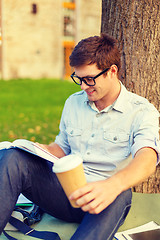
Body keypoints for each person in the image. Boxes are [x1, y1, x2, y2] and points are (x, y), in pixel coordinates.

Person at [0, 34, 160, 240]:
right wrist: (39, 150)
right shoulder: (73, 103)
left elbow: (147, 158)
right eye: (79, 79)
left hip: (104, 200)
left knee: (121, 193)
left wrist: (112, 186)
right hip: (64, 192)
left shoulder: (141, 110)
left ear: (112, 71)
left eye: (89, 79)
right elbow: (62, 147)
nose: (83, 86)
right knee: (13, 157)